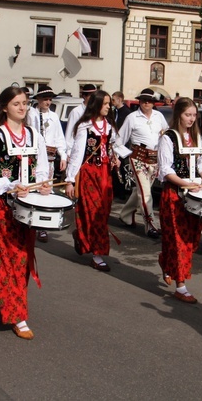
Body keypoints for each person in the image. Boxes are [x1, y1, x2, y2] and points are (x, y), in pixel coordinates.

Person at [0, 86, 51, 340]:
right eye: (16, 104)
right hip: (3, 207)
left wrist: (43, 184)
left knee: (23, 257)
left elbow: (42, 169)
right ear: (5, 108)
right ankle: (17, 314)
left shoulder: (34, 135)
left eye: (24, 103)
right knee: (9, 258)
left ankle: (11, 301)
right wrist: (10, 186)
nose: (22, 108)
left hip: (29, 207)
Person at [157, 97, 202, 304]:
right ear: (178, 115)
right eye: (187, 115)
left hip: (195, 195)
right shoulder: (168, 138)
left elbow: (201, 164)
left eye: (193, 115)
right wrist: (185, 184)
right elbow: (166, 170)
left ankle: (166, 261)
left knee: (191, 241)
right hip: (174, 196)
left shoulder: (197, 136)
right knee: (178, 241)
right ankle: (181, 285)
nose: (191, 119)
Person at [65, 90, 120, 272]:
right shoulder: (85, 127)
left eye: (109, 104)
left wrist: (115, 157)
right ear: (96, 105)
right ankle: (97, 254)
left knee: (103, 213)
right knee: (92, 211)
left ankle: (82, 238)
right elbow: (77, 154)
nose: (108, 107)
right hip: (89, 173)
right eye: (105, 104)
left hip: (105, 173)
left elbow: (112, 146)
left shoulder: (109, 126)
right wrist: (69, 180)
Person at [117, 88, 168, 238]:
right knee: (146, 193)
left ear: (153, 103)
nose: (147, 103)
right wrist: (128, 154)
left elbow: (166, 135)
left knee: (140, 190)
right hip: (138, 159)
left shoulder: (159, 116)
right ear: (139, 101)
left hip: (155, 160)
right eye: (144, 100)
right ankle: (150, 225)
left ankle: (125, 214)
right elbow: (118, 141)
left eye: (150, 101)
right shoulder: (132, 118)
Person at [28, 85, 67, 243]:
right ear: (38, 99)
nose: (48, 102)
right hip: (33, 157)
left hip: (49, 159)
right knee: (32, 189)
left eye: (50, 99)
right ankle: (29, 219)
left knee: (46, 189)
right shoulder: (31, 114)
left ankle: (42, 227)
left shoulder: (54, 117)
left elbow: (59, 138)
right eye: (45, 99)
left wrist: (63, 155)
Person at [64, 83, 96, 160]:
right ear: (84, 96)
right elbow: (70, 133)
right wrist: (68, 152)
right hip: (79, 150)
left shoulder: (96, 111)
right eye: (90, 96)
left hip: (93, 149)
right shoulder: (76, 112)